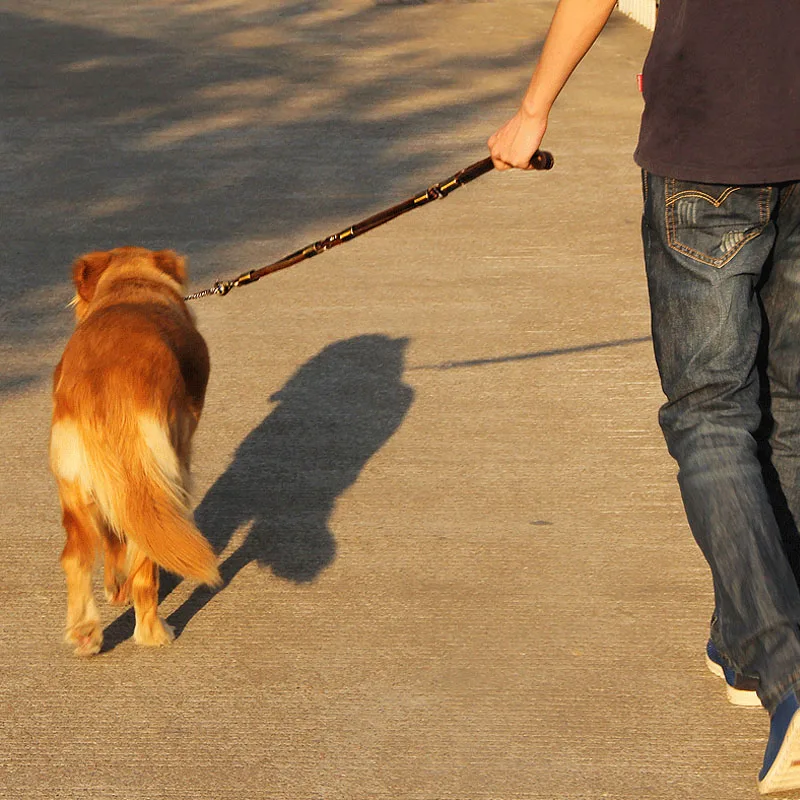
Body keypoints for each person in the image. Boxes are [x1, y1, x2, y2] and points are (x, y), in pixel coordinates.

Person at [487, 0, 800, 793]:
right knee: (789, 409)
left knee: (711, 416)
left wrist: (533, 109)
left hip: (706, 147)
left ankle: (788, 670)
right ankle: (742, 644)